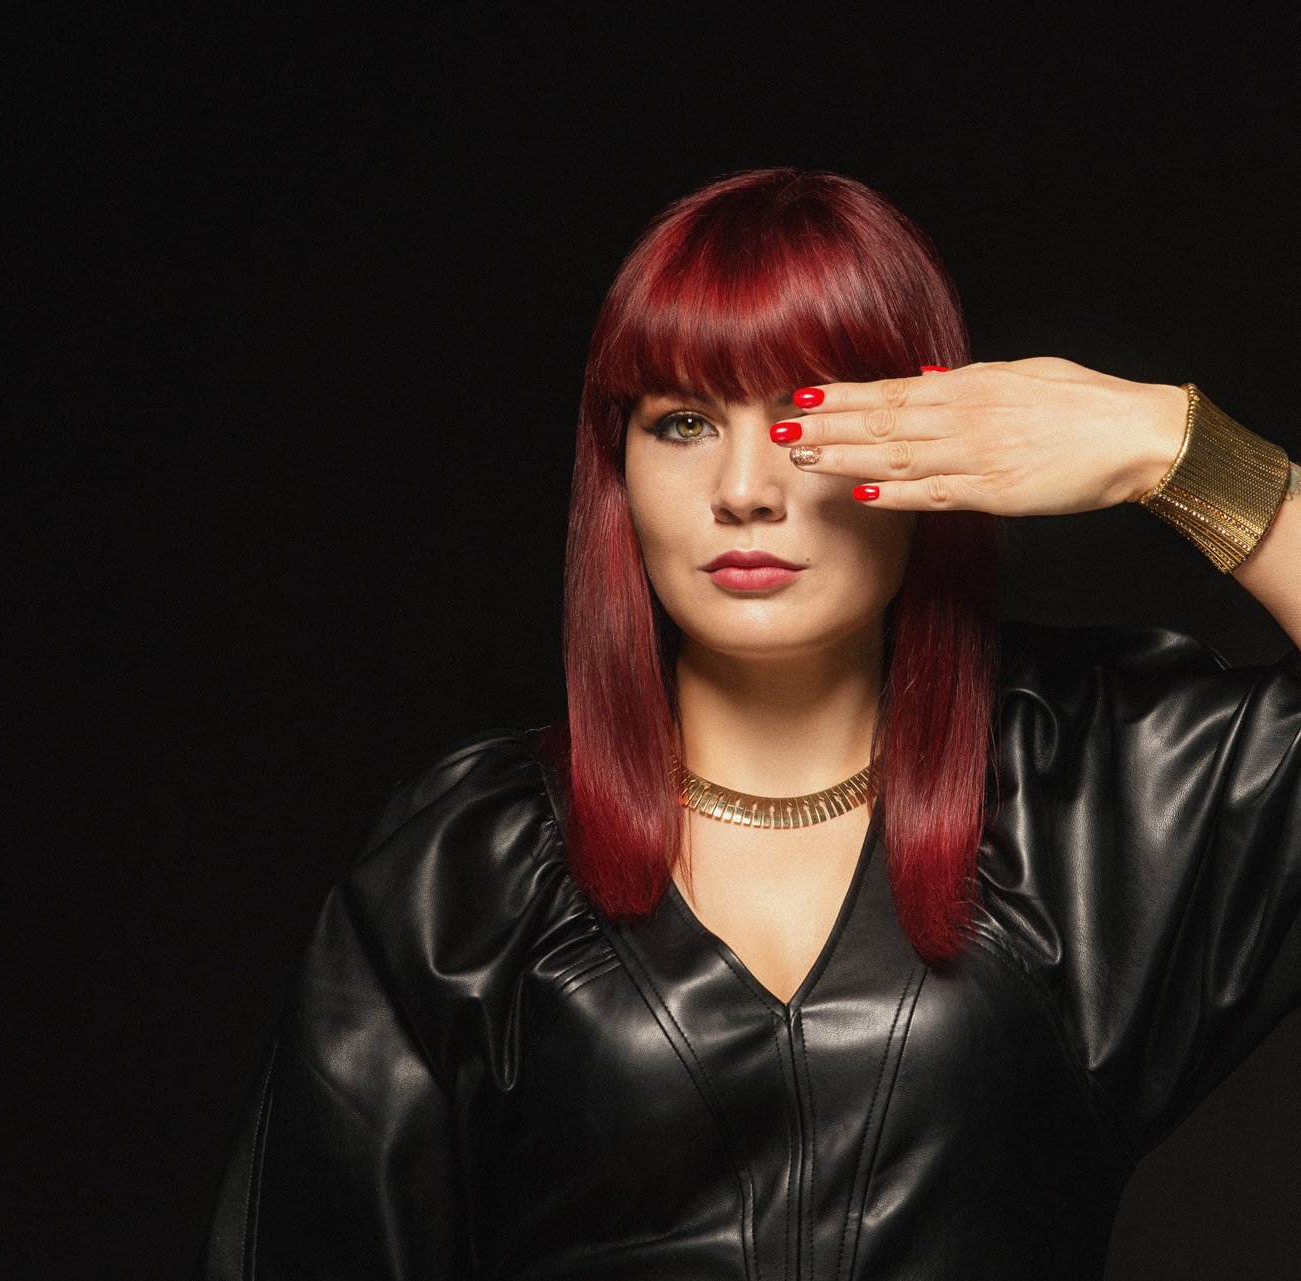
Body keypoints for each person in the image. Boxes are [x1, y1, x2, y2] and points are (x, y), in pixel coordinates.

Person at [191, 168, 1301, 1279]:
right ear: (617, 471)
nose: (744, 489)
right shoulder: (465, 874)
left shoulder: (1091, 797)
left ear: (927, 436)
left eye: (805, 416)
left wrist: (1172, 447)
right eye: (682, 422)